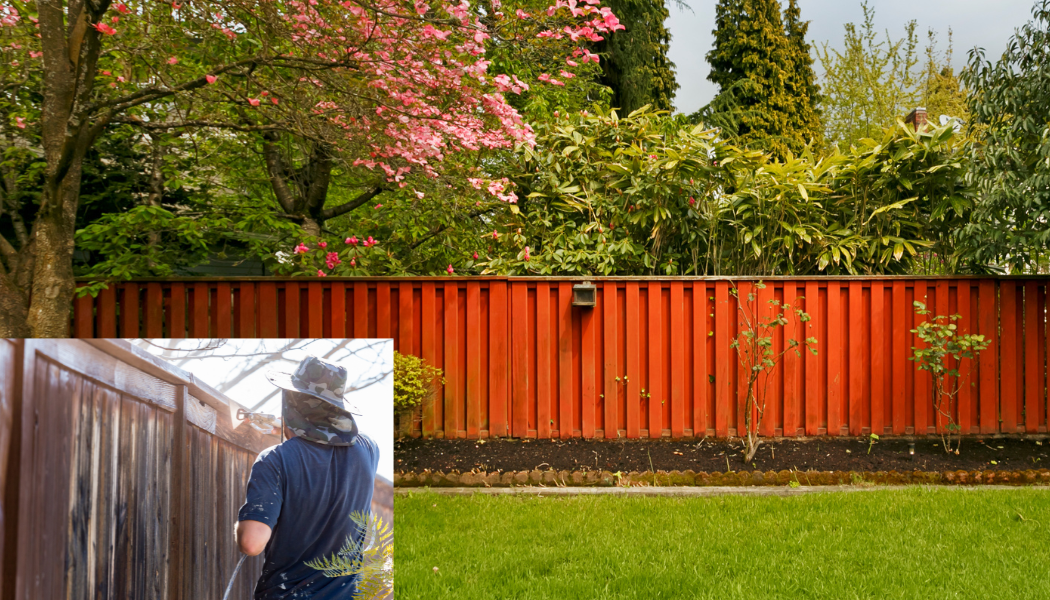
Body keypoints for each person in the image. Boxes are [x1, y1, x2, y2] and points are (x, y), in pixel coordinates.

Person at [236, 356, 380, 599]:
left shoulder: (274, 460)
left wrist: (242, 524)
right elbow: (332, 442)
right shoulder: (368, 450)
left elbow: (252, 543)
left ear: (290, 402)